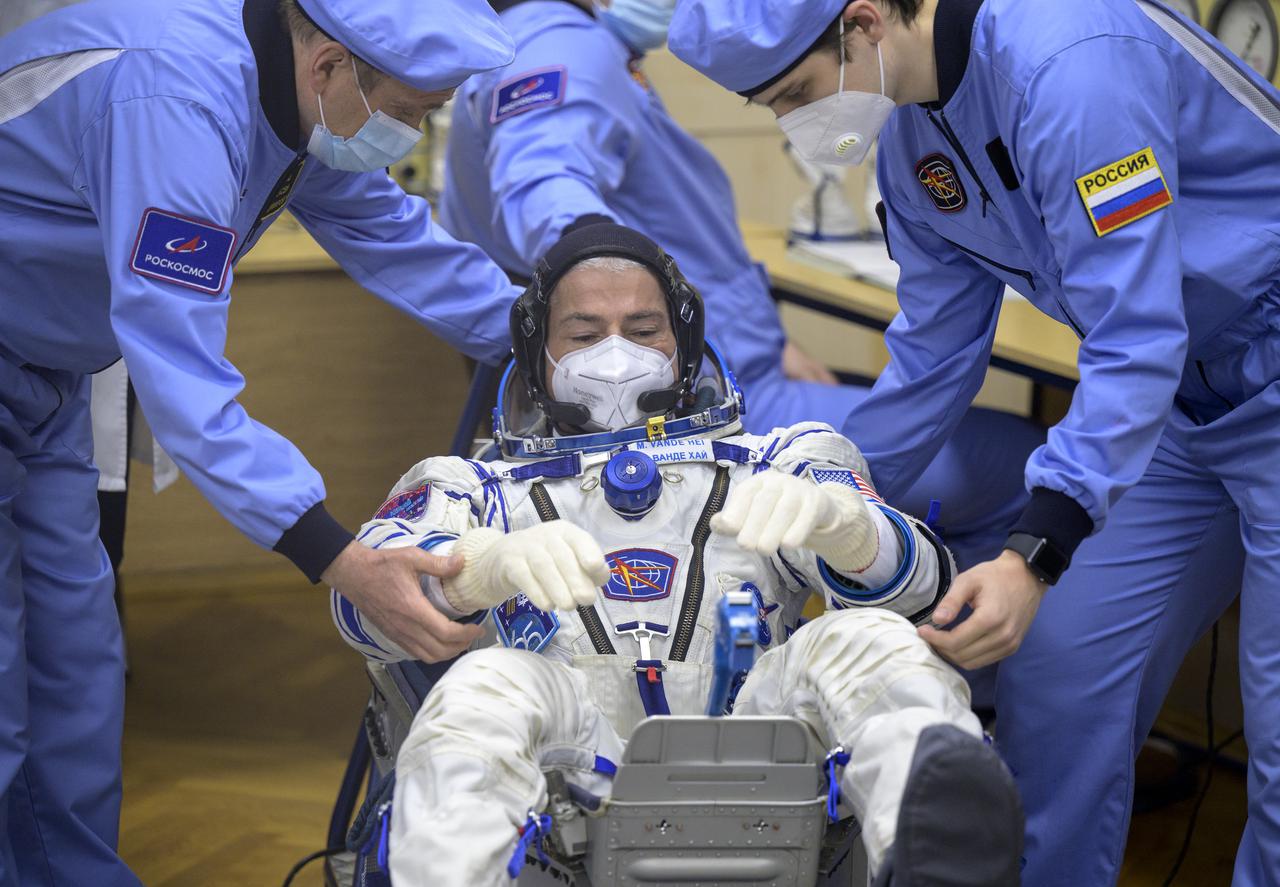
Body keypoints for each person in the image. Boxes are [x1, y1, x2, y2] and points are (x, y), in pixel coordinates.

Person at [667, 0, 1270, 883]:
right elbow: (932, 356)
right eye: (772, 106)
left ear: (865, 23)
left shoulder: (1070, 60)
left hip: (1228, 363)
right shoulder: (914, 143)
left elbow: (1134, 329)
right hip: (1178, 402)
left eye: (797, 92)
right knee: (1056, 684)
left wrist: (1033, 552)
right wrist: (828, 501)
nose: (795, 122)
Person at [0, 0, 525, 882]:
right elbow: (183, 376)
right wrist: (336, 552)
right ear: (331, 67)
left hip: (41, 382)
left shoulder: (291, 94)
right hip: (25, 350)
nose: (416, 130)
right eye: (415, 110)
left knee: (74, 682)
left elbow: (385, 229)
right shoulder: (176, 98)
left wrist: (543, 331)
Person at [331, 222, 1022, 886]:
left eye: (642, 330)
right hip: (564, 767)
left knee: (867, 639)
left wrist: (844, 527)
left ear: (683, 345)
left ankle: (937, 858)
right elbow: (359, 602)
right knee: (485, 689)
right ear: (539, 351)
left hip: (758, 743)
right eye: (582, 333)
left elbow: (927, 590)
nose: (614, 353)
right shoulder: (471, 486)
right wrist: (478, 569)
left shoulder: (778, 461)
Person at [438, 0, 1045, 576]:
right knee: (1029, 467)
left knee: (925, 424)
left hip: (729, 378)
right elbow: (544, 187)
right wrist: (603, 263)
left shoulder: (517, 48)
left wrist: (770, 342)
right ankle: (967, 670)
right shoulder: (566, 47)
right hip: (704, 414)